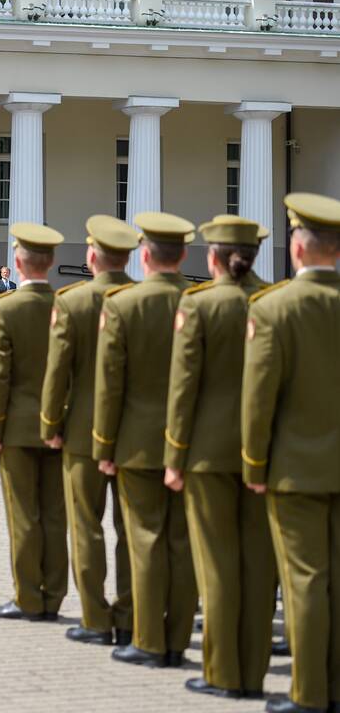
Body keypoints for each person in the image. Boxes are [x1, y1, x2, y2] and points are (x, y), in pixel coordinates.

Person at [162, 216, 274, 700]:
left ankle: (223, 672)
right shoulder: (274, 299)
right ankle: (254, 671)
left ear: (213, 257)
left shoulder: (201, 304)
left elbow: (183, 389)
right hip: (268, 455)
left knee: (217, 567)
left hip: (208, 456)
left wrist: (175, 455)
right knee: (260, 567)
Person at [241, 192, 340, 713]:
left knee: (304, 579)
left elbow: (259, 398)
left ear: (298, 249)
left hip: (296, 470)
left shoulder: (274, 308)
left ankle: (308, 694)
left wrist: (253, 465)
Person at [93, 211, 198, 669]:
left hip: (135, 444)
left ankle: (149, 640)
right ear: (184, 255)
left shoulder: (123, 304)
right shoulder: (201, 301)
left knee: (144, 540)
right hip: (190, 443)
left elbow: (109, 384)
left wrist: (103, 445)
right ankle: (177, 639)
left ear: (145, 255)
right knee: (182, 542)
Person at [40, 214, 137, 647]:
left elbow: (57, 373)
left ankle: (96, 617)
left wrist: (50, 425)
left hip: (81, 432)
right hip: (137, 435)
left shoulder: (73, 301)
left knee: (87, 527)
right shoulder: (146, 298)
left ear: (92, 255)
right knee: (133, 531)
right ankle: (133, 614)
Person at [0, 222, 68, 623]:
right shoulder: (68, 304)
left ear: (17, 263)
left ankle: (27, 598)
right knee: (55, 513)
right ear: (51, 262)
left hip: (17, 427)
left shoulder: (5, 308)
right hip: (62, 425)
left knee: (23, 514)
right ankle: (54, 594)